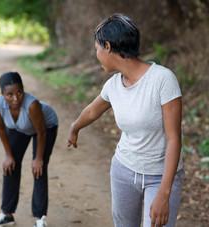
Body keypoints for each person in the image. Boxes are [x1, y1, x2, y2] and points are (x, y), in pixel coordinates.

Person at [67, 14, 185, 227]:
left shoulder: (162, 79)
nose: (97, 55)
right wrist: (75, 127)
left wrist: (164, 193)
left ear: (108, 47)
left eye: (97, 49)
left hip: (160, 176)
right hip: (124, 170)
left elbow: (174, 139)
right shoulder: (113, 85)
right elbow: (93, 110)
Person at [0, 72, 58, 227]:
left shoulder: (32, 105)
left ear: (23, 90)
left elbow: (42, 132)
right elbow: (1, 130)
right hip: (20, 128)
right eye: (9, 94)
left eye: (19, 92)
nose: (15, 98)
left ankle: (39, 219)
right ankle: (7, 215)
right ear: (2, 94)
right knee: (10, 166)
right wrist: (8, 155)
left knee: (38, 169)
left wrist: (38, 158)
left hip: (46, 127)